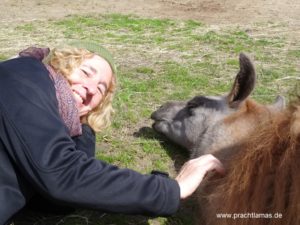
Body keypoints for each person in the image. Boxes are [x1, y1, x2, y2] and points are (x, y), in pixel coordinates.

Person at [0, 41, 224, 225]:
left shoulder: (57, 125)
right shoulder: (26, 74)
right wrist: (172, 190)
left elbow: (57, 203)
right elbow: (62, 173)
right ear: (61, 62)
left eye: (100, 90)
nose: (89, 89)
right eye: (86, 72)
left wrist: (83, 123)